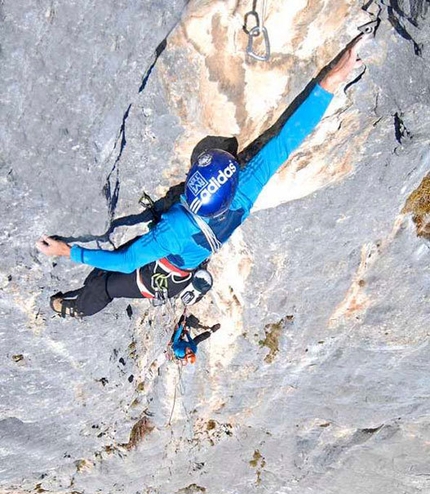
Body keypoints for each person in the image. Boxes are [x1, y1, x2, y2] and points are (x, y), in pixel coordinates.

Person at [36, 37, 366, 318]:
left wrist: (68, 252)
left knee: (105, 284)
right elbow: (284, 143)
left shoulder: (177, 227)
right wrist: (330, 84)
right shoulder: (243, 191)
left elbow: (126, 262)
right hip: (181, 269)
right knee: (110, 268)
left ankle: (76, 308)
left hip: (158, 277)